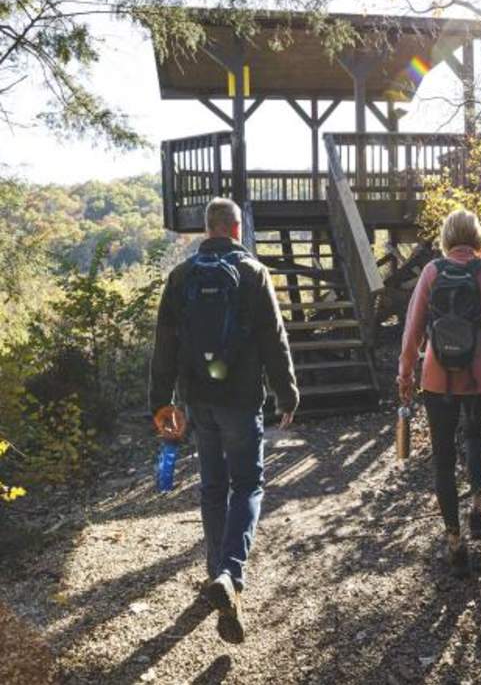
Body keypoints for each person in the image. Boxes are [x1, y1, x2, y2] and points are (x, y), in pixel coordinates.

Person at [149, 196, 299, 643]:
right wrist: (287, 391)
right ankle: (230, 574)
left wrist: (161, 403)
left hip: (198, 400)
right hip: (240, 398)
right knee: (248, 484)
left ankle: (216, 571)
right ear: (236, 230)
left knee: (213, 486)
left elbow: (165, 347)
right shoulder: (253, 273)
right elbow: (274, 337)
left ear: (206, 230)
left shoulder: (180, 277)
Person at [397, 208, 481, 577]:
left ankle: (455, 543)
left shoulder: (432, 271)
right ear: (477, 238)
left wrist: (406, 374)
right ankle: (478, 508)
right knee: (476, 436)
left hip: (437, 377)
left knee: (443, 458)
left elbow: (413, 328)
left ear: (446, 238)